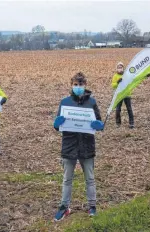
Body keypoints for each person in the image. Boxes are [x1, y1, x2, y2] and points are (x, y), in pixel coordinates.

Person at [53, 72, 104, 221]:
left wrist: (99, 125)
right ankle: (64, 207)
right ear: (71, 85)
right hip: (69, 145)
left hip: (87, 145)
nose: (78, 87)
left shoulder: (92, 102)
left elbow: (99, 123)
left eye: (81, 85)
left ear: (85, 85)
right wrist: (56, 124)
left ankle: (92, 206)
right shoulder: (65, 102)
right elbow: (58, 126)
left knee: (90, 178)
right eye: (76, 85)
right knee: (67, 179)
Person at [111, 61, 150, 129]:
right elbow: (113, 85)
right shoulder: (115, 76)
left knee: (129, 109)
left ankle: (131, 123)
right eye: (118, 67)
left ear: (123, 68)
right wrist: (117, 82)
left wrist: (145, 76)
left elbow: (136, 78)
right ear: (116, 68)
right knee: (118, 109)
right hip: (119, 95)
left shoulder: (127, 75)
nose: (120, 69)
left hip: (127, 94)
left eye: (121, 67)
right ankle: (118, 123)